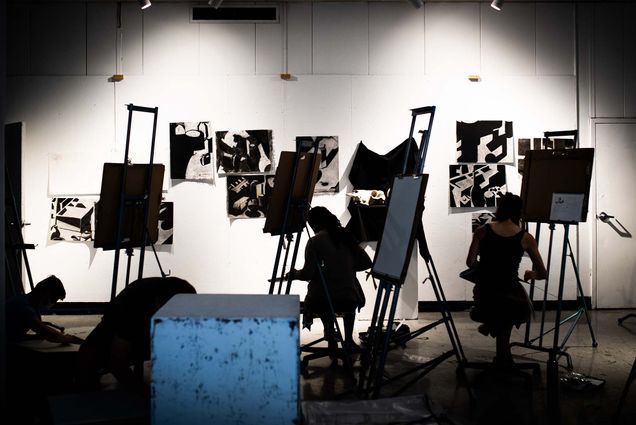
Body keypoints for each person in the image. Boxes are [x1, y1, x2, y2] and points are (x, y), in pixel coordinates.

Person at [466, 193, 547, 367]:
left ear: (500, 209)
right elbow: (543, 273)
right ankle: (503, 357)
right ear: (519, 212)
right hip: (512, 297)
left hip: (485, 295)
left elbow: (470, 262)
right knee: (508, 304)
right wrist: (530, 274)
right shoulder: (526, 237)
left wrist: (488, 269)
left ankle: (494, 335)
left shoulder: (482, 231)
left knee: (498, 305)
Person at [75, 276, 196, 391]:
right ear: (157, 303)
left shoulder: (186, 298)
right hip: (119, 319)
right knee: (88, 361)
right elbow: (117, 362)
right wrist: (141, 392)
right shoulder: (132, 307)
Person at [287, 207, 372, 361]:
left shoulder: (315, 241)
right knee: (346, 294)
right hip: (349, 298)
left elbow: (308, 274)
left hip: (324, 299)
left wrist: (294, 274)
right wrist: (347, 267)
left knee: (322, 294)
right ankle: (347, 341)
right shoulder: (345, 236)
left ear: (314, 224)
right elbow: (367, 262)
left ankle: (331, 340)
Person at [6, 275, 84, 344]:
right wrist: (70, 339)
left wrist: (35, 336)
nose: (52, 304)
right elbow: (49, 334)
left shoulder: (22, 300)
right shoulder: (26, 309)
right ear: (44, 294)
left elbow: (14, 335)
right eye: (53, 300)